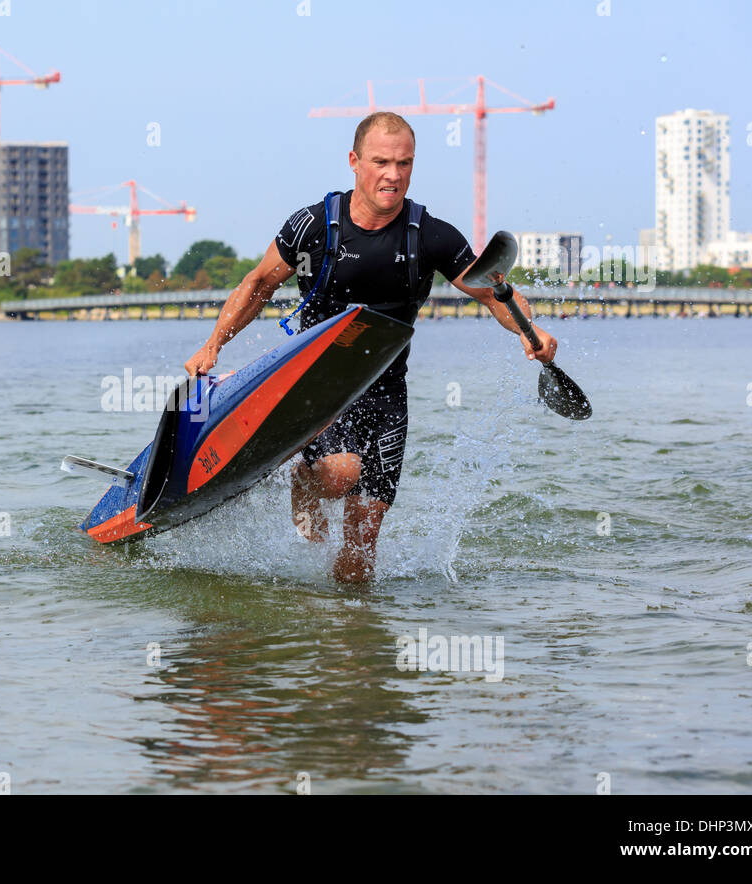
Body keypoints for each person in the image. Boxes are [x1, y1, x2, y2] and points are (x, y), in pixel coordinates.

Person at [183, 111, 559, 583]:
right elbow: (257, 284)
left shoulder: (432, 237)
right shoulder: (313, 227)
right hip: (317, 382)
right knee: (341, 473)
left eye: (404, 163)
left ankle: (351, 645)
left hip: (386, 391)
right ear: (354, 161)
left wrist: (532, 332)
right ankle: (304, 480)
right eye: (381, 161)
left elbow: (492, 293)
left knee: (362, 548)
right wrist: (212, 346)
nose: (393, 175)